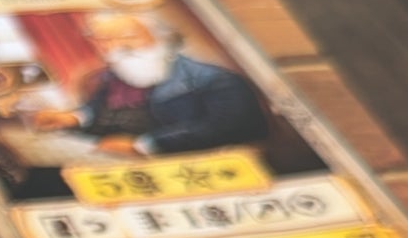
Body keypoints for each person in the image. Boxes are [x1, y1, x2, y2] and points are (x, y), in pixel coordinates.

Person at [27, 12, 269, 158]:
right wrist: (73, 118)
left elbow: (227, 128)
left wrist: (145, 145)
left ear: (162, 37)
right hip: (109, 156)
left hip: (181, 163)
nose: (117, 47)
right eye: (105, 40)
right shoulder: (113, 76)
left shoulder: (216, 80)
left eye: (129, 36)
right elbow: (96, 108)